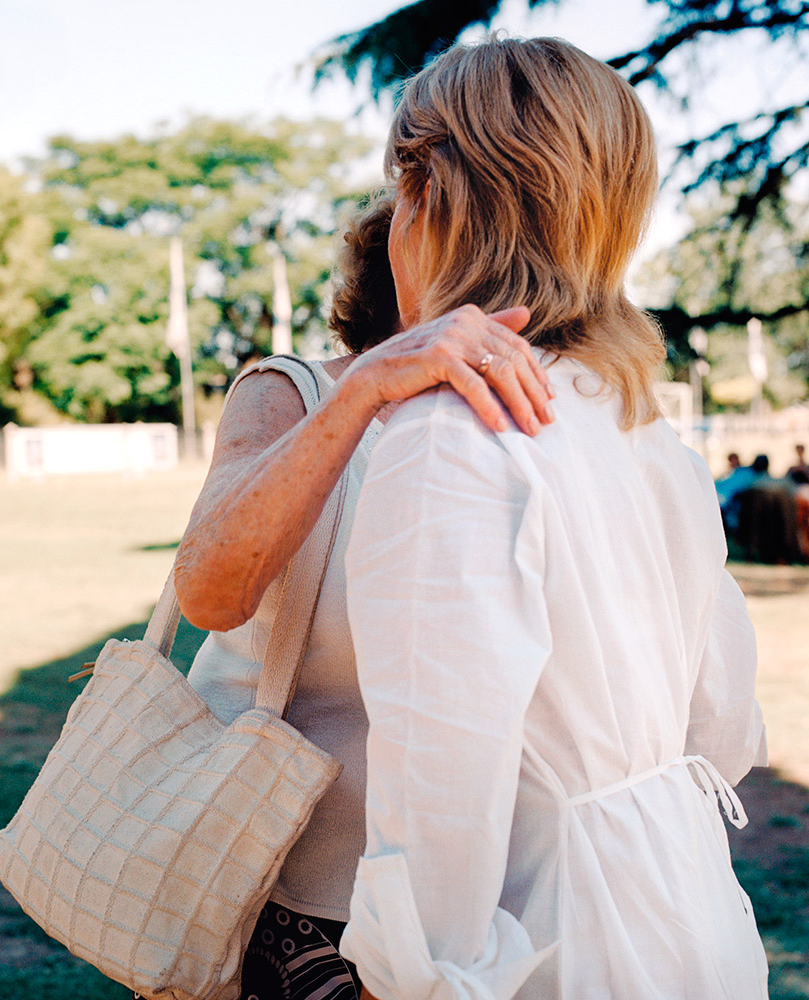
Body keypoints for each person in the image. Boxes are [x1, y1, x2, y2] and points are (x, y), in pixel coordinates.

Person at [340, 37, 768, 1000]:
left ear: (433, 198)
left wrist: (407, 976)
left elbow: (438, 783)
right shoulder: (645, 430)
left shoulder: (454, 433)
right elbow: (726, 726)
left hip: (551, 943)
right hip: (691, 902)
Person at [175, 182, 556, 996]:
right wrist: (365, 390)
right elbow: (207, 594)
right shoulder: (293, 391)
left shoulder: (535, 413)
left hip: (470, 897)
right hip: (276, 883)